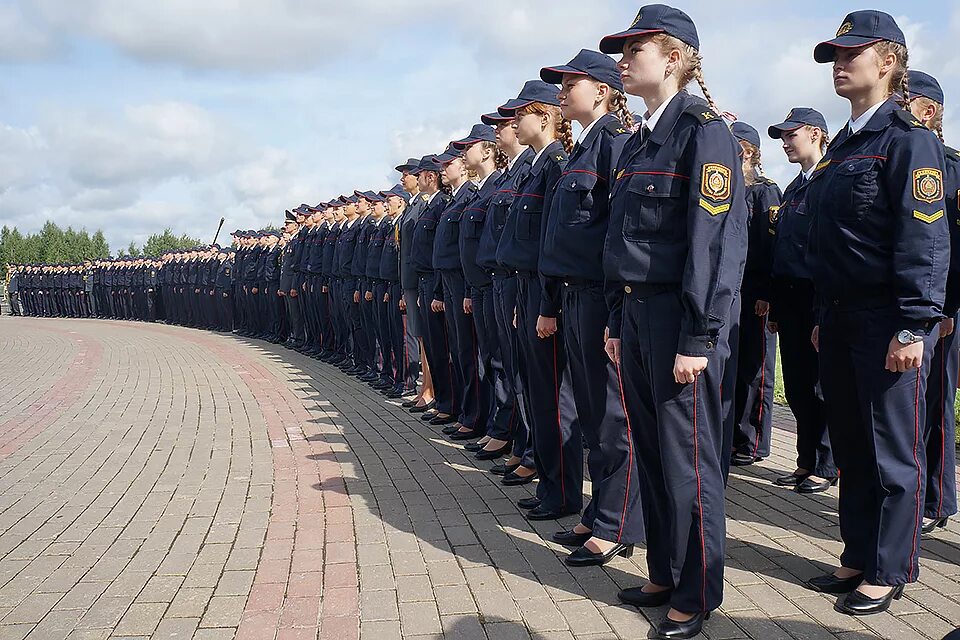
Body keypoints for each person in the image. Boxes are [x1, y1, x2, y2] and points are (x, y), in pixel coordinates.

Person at [599, 5, 748, 637]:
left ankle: (697, 587)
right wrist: (613, 316)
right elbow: (620, 239)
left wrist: (697, 335)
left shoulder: (702, 132)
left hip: (675, 319)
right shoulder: (639, 140)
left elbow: (713, 246)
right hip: (634, 313)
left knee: (689, 459)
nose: (624, 59)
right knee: (655, 454)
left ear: (676, 56)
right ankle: (664, 568)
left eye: (637, 48)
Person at [804, 11, 949, 616]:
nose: (839, 64)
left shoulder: (910, 140)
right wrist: (819, 312)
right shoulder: (842, 146)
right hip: (838, 316)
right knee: (853, 446)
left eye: (850, 53)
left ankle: (892, 567)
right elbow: (829, 238)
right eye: (834, 55)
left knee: (895, 449)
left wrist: (915, 322)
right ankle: (859, 551)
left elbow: (924, 238)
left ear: (887, 62)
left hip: (888, 317)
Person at [538, 48, 642, 566]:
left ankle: (617, 522)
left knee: (610, 415)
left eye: (570, 82)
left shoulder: (614, 145)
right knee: (589, 411)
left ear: (601, 90)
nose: (562, 91)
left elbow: (617, 230)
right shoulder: (583, 148)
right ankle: (600, 508)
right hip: (577, 295)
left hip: (602, 297)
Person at [496, 79, 578, 518]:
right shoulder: (534, 167)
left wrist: (546, 303)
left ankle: (563, 492)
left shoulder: (556, 165)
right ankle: (551, 484)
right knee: (536, 391)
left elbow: (554, 244)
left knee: (552, 397)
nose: (510, 124)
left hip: (544, 292)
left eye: (518, 114)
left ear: (542, 116)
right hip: (525, 289)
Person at [766, 107, 838, 493]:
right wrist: (776, 306)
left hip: (817, 296)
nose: (785, 142)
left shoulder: (830, 179)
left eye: (791, 135)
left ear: (815, 133)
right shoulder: (794, 188)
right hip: (791, 297)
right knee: (795, 385)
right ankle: (805, 459)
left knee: (820, 384)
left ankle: (826, 464)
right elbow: (782, 251)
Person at [904, 70, 958, 535]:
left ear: (928, 111)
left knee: (935, 401)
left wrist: (945, 310)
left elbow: (948, 246)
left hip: (943, 312)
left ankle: (937, 498)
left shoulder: (949, 165)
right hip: (919, 306)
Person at [729, 121, 781, 467]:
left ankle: (755, 440)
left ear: (748, 151)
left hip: (756, 291)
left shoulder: (765, 191)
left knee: (756, 368)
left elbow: (770, 245)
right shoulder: (734, 188)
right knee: (736, 366)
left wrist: (766, 292)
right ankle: (736, 434)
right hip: (733, 288)